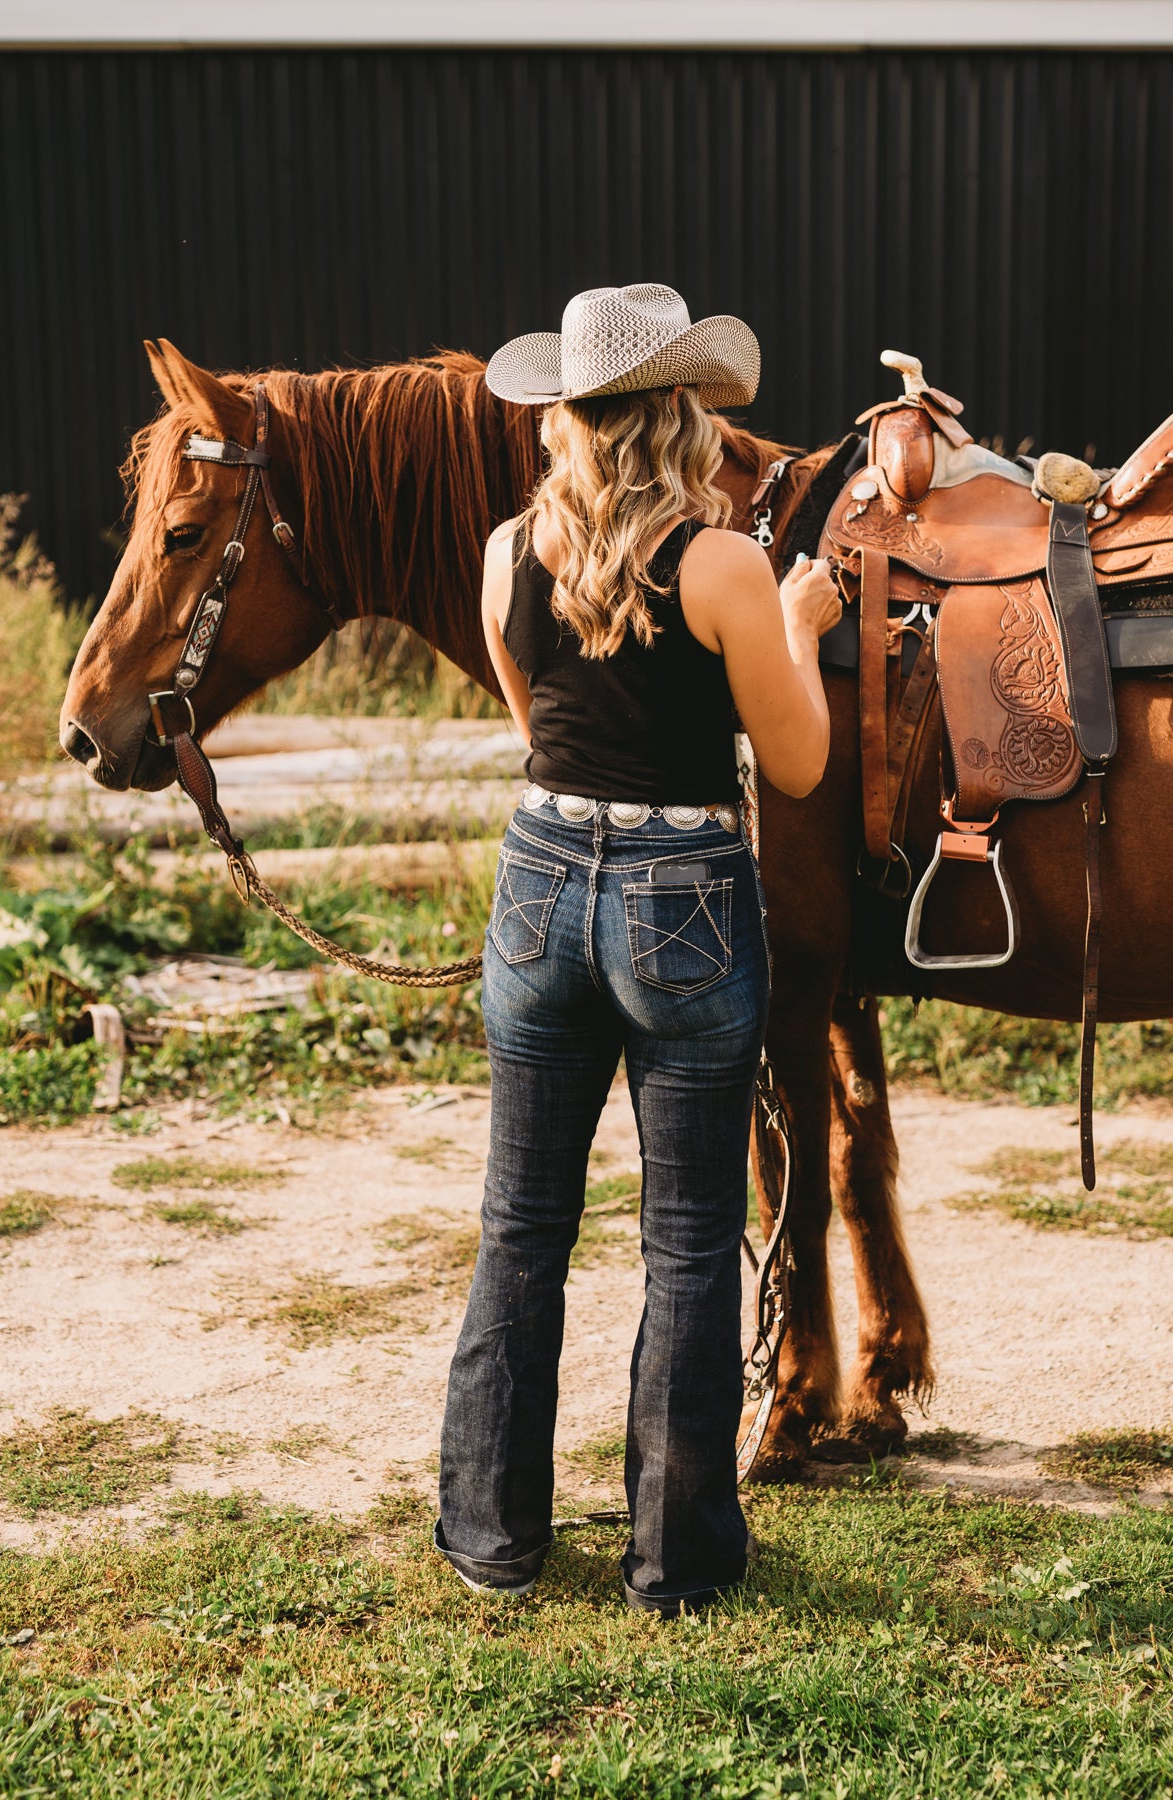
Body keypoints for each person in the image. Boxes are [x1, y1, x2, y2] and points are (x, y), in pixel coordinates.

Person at [435, 283, 840, 1617]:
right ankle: (676, 1562)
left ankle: (491, 1535)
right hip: (685, 896)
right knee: (683, 1242)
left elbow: (534, 724)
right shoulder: (722, 563)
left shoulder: (506, 552)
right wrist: (803, 626)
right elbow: (794, 763)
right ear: (675, 416)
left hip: (543, 881)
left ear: (567, 420)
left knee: (521, 1226)